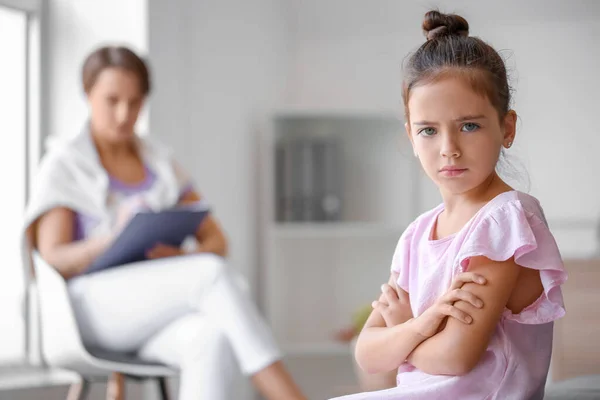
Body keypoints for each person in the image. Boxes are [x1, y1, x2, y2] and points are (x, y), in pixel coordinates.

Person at [24, 46, 306, 400]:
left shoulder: (159, 162)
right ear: (87, 94)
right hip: (91, 310)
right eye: (111, 100)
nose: (124, 114)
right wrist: (115, 238)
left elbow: (217, 241)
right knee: (210, 274)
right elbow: (53, 258)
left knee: (211, 338)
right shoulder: (65, 164)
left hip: (152, 309)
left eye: (135, 102)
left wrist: (176, 257)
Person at [331, 10, 567, 400]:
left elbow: (456, 357)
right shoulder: (417, 235)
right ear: (410, 135)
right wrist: (422, 326)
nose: (449, 150)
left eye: (469, 125)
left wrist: (405, 327)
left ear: (506, 128)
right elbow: (368, 354)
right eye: (428, 130)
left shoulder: (505, 221)